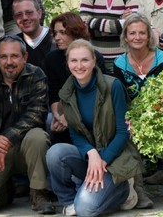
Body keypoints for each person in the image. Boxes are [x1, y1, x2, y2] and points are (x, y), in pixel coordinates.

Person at [46, 39, 142, 216]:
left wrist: (102, 159)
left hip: (115, 159)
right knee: (55, 153)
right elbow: (75, 134)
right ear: (68, 63)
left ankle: (124, 190)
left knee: (86, 209)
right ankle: (69, 201)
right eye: (74, 60)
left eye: (84, 60)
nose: (79, 66)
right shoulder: (67, 93)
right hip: (92, 158)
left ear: (94, 61)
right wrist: (91, 153)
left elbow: (124, 131)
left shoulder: (113, 86)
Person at [0, 35, 55, 215]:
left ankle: (38, 192)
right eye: (4, 57)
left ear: (25, 57)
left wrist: (4, 140)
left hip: (24, 148)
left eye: (14, 56)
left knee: (38, 136)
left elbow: (36, 115)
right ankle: (6, 190)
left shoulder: (36, 75)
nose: (9, 62)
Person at [113, 13, 163, 209]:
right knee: (125, 136)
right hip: (134, 117)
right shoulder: (119, 64)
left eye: (141, 33)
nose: (137, 37)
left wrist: (156, 118)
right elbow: (121, 99)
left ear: (149, 36)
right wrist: (130, 123)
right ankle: (139, 190)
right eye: (132, 33)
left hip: (162, 114)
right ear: (125, 37)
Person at [44, 12, 106, 145]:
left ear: (75, 32)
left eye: (62, 32)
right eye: (55, 33)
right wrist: (58, 116)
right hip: (62, 108)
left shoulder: (95, 57)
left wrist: (69, 117)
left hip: (90, 111)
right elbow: (53, 94)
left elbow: (97, 94)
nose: (57, 37)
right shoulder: (51, 59)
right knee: (49, 120)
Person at [13, 0, 55, 71]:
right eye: (19, 15)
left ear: (39, 13)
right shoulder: (14, 44)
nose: (24, 18)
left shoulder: (56, 39)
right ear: (14, 19)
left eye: (29, 13)